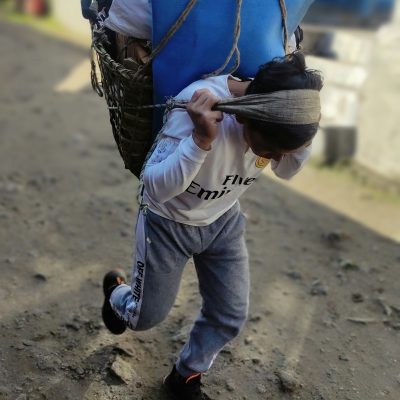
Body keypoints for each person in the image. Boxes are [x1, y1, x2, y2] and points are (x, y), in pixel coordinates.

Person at [101, 51, 323, 400]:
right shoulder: (196, 105)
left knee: (230, 312)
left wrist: (302, 144)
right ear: (248, 116)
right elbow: (153, 185)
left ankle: (185, 377)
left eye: (287, 149)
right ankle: (117, 291)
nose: (278, 157)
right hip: (167, 223)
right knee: (143, 318)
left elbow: (285, 169)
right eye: (272, 148)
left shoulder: (277, 127)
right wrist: (200, 141)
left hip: (222, 221)